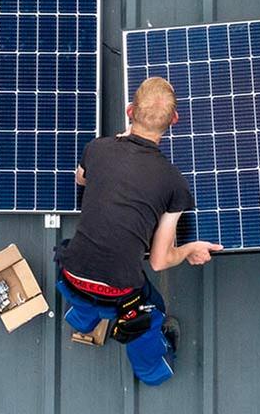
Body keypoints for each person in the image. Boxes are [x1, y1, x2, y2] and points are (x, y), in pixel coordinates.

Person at [54, 77, 222, 385]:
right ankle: (152, 371)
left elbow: (81, 180)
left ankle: (81, 319)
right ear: (174, 120)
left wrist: (114, 153)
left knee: (81, 268)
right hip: (117, 292)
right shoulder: (174, 183)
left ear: (130, 111)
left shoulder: (97, 149)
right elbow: (159, 261)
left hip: (72, 273)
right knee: (149, 313)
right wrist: (190, 249)